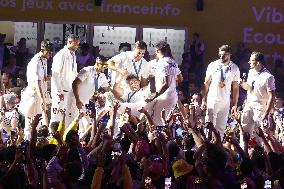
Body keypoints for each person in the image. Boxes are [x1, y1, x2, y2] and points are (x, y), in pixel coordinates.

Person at [202, 45, 240, 138]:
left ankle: (218, 149)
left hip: (225, 102)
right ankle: (207, 149)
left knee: (221, 128)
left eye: (224, 55)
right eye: (220, 55)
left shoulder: (235, 68)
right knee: (209, 126)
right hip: (213, 99)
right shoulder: (213, 65)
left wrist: (235, 104)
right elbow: (206, 83)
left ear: (229, 54)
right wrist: (204, 100)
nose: (221, 57)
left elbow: (235, 88)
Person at [18, 40, 54, 140]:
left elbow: (42, 78)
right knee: (30, 123)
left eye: (51, 52)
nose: (50, 55)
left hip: (41, 93)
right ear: (43, 50)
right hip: (34, 94)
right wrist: (42, 99)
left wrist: (47, 78)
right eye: (49, 52)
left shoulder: (45, 60)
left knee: (38, 122)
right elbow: (36, 82)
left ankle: (36, 144)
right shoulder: (35, 62)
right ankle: (28, 144)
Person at [146, 41, 182, 126]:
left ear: (158, 51)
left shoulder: (162, 63)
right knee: (167, 123)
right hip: (173, 96)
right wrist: (173, 84)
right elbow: (180, 79)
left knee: (158, 124)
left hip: (163, 97)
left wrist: (154, 96)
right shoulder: (173, 62)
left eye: (155, 51)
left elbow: (165, 84)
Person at [240, 51, 276, 136]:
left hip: (260, 107)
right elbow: (248, 87)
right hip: (248, 105)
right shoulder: (251, 72)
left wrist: (266, 113)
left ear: (258, 62)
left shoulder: (268, 77)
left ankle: (259, 149)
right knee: (244, 131)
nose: (249, 62)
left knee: (258, 133)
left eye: (251, 60)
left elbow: (272, 96)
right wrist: (241, 83)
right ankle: (244, 148)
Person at [50, 34, 80, 127]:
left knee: (66, 116)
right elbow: (55, 74)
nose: (77, 46)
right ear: (70, 42)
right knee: (57, 116)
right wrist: (59, 91)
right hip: (60, 91)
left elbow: (74, 73)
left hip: (69, 90)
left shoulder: (73, 54)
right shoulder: (61, 54)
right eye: (76, 43)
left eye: (78, 44)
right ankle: (53, 138)